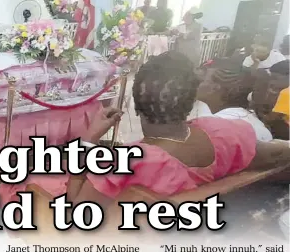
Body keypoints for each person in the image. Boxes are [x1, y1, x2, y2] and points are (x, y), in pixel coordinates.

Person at [66, 51, 290, 208]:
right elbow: (276, 154)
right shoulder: (224, 131)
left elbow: (76, 211)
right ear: (190, 101)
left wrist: (87, 141)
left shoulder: (129, 162)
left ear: (135, 106)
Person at [193, 58, 273, 141]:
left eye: (201, 80)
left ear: (215, 88)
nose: (193, 84)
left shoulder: (214, 127)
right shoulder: (252, 120)